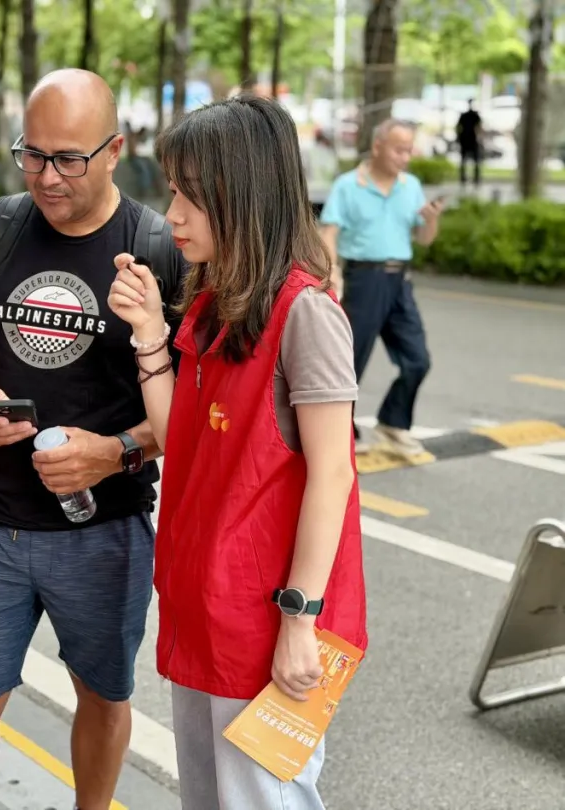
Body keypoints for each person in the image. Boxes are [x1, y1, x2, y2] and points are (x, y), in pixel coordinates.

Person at [0, 68, 183, 810]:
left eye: (68, 158)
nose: (47, 176)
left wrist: (114, 453)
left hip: (104, 528)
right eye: (32, 154)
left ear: (115, 150)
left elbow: (191, 408)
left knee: (103, 694)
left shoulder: (159, 250)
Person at [108, 94, 367, 810]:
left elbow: (333, 474)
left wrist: (300, 619)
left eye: (190, 195)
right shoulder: (213, 302)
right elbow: (184, 446)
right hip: (205, 603)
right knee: (209, 796)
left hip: (268, 617)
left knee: (262, 799)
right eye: (173, 192)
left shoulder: (305, 312)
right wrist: (148, 334)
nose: (172, 215)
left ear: (244, 194)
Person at [319, 119, 443, 459]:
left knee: (418, 360)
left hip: (399, 281)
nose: (406, 157)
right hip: (363, 280)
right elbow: (329, 232)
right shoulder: (348, 185)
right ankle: (340, 433)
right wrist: (331, 270)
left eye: (409, 150)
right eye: (399, 149)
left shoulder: (410, 186)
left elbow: (424, 239)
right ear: (377, 147)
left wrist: (431, 219)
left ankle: (393, 422)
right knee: (349, 363)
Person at [456, 99, 483, 189]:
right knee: (473, 161)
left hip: (467, 139)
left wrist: (459, 137)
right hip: (470, 140)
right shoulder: (473, 115)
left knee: (466, 161)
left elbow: (458, 127)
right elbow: (479, 128)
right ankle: (473, 178)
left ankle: (468, 178)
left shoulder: (467, 115)